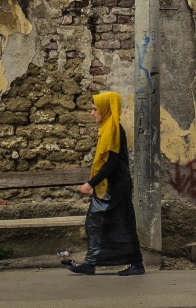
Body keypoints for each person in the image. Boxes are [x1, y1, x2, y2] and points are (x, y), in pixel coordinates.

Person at [68, 91, 145, 276]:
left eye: (95, 109)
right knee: (112, 223)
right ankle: (123, 263)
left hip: (115, 186)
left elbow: (111, 162)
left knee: (103, 222)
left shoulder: (113, 130)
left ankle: (96, 263)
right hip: (113, 185)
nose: (91, 112)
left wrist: (91, 183)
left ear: (104, 109)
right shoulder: (108, 128)